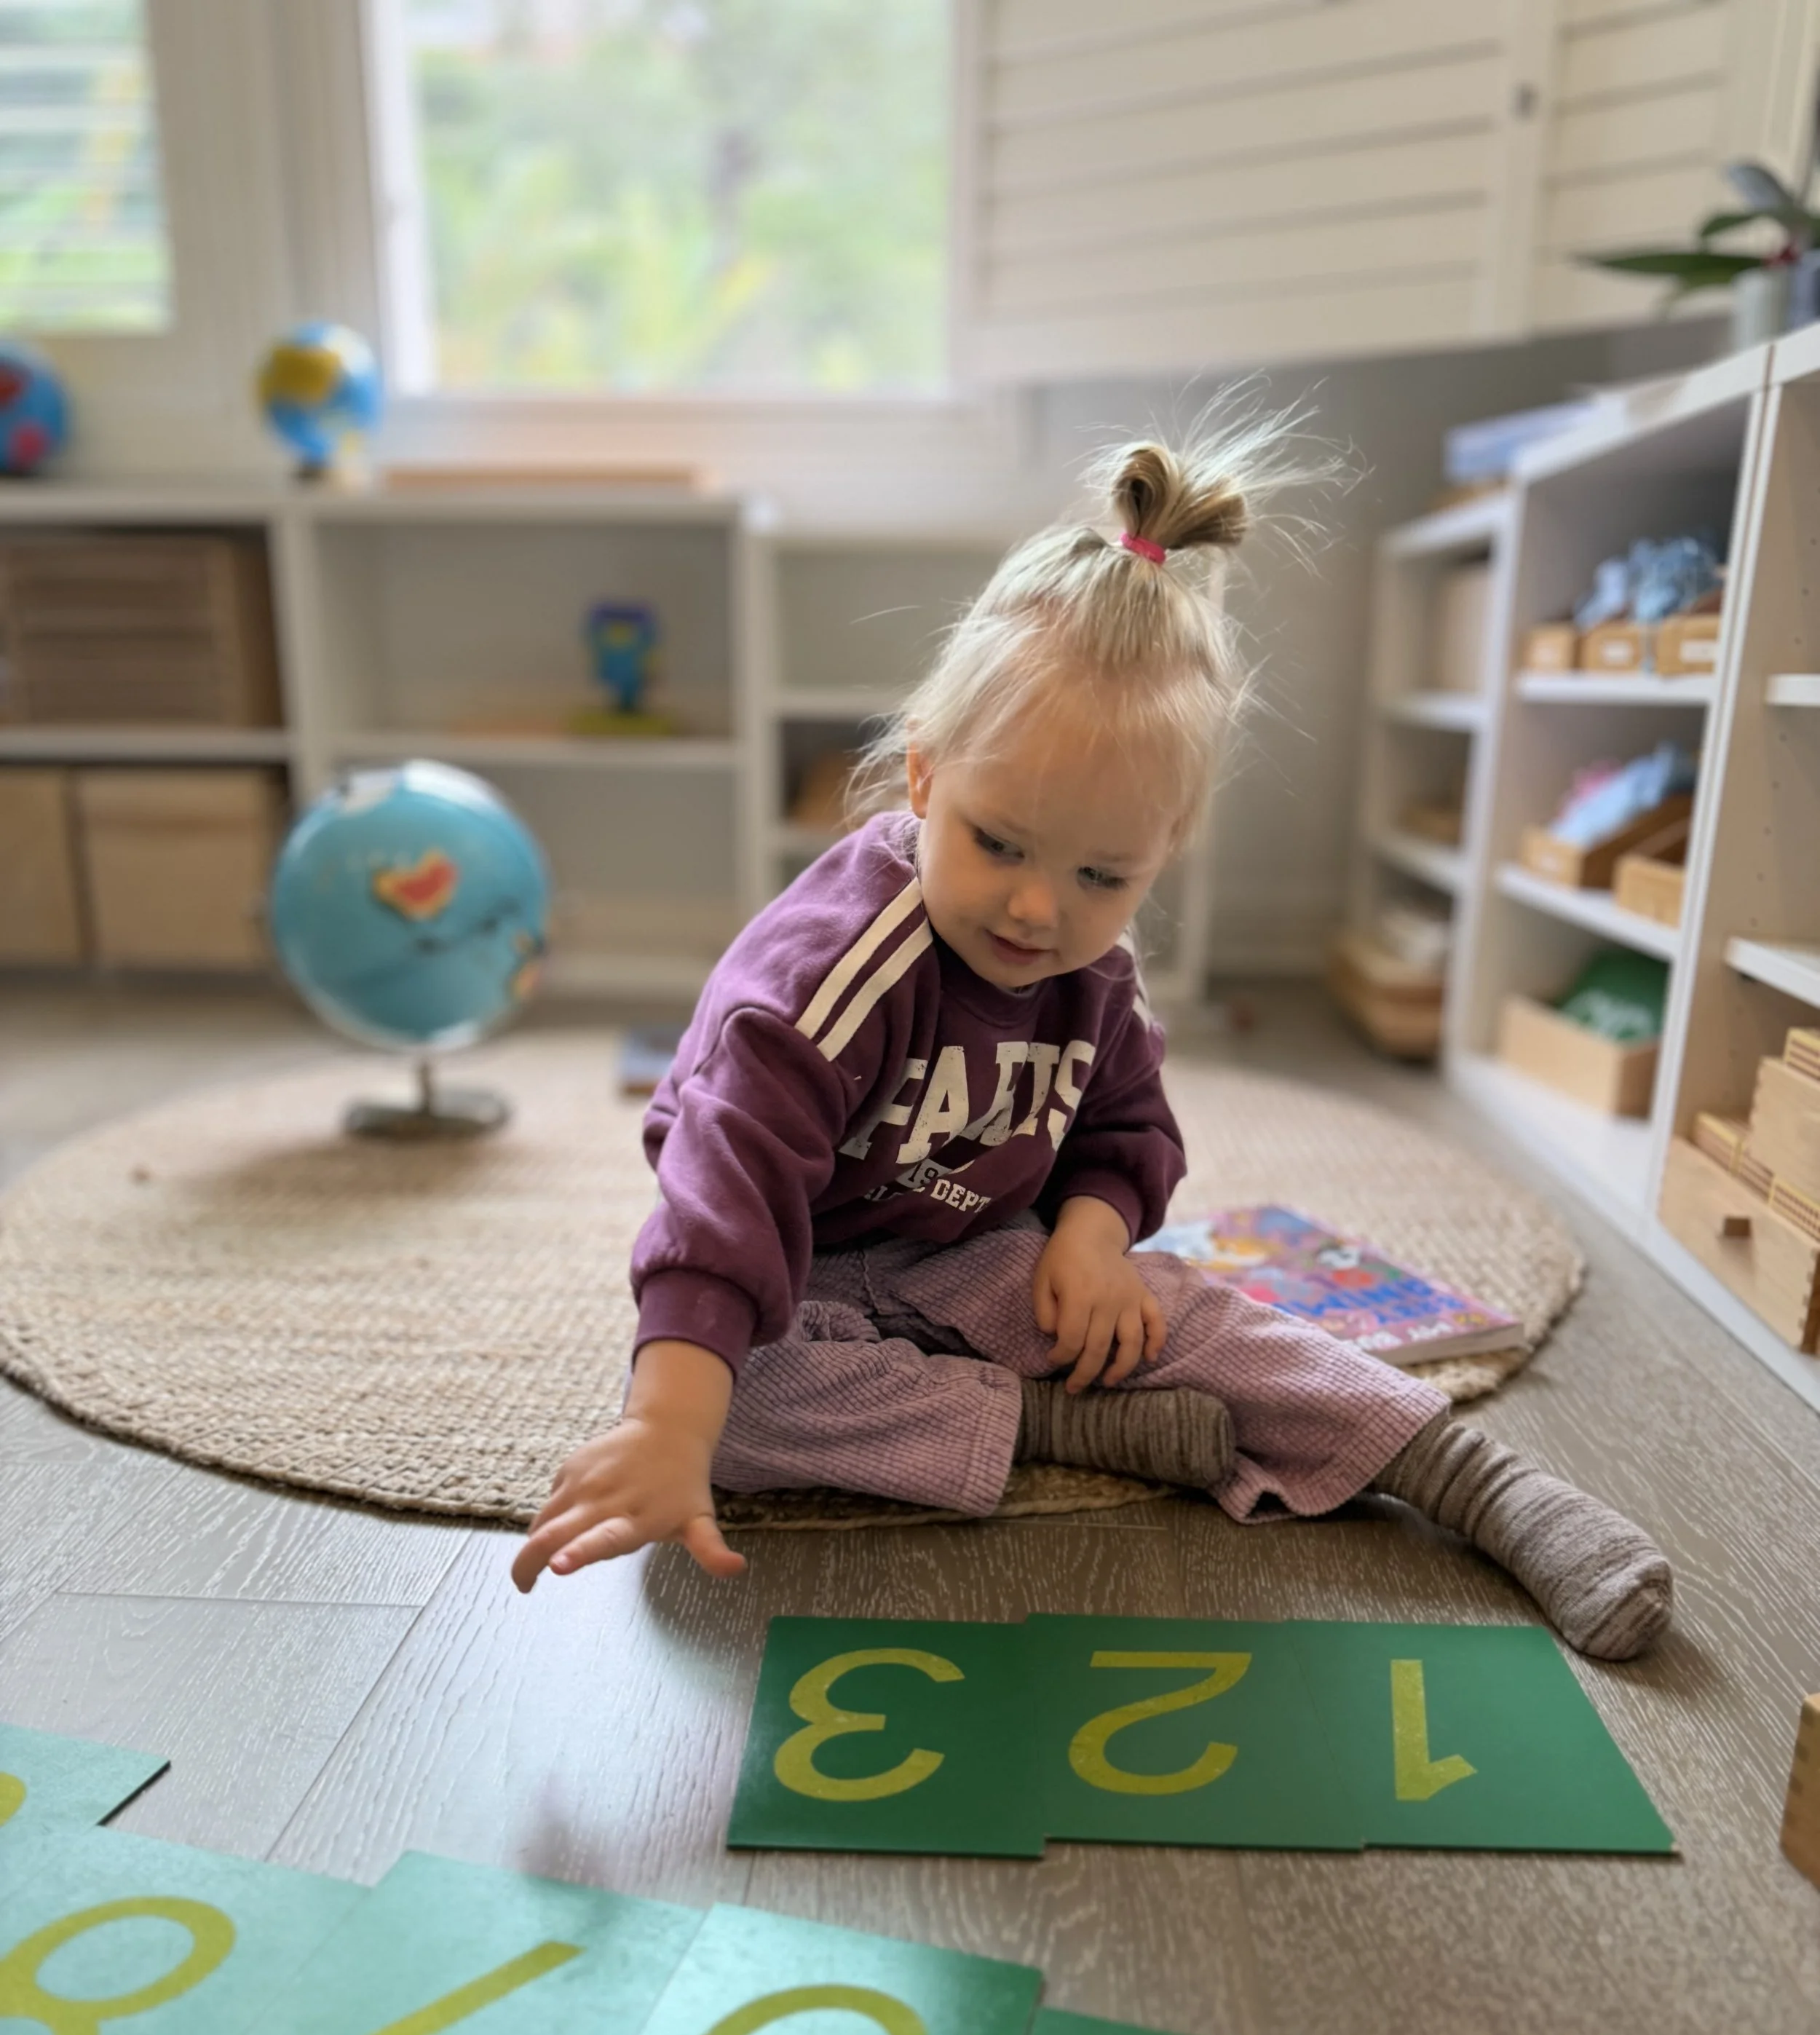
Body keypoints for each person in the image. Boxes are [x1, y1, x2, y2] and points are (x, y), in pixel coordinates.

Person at [511, 434, 1670, 1661]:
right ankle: (1064, 1428)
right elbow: (726, 1192)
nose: (1035, 911)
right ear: (921, 774)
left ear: (1163, 851)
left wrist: (1092, 1234)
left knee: (1199, 1318)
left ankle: (1479, 1484)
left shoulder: (1093, 975)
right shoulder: (832, 975)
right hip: (789, 1261)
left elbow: (1128, 1132)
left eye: (1100, 875)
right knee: (721, 1408)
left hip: (966, 1250)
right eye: (999, 845)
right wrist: (670, 1428)